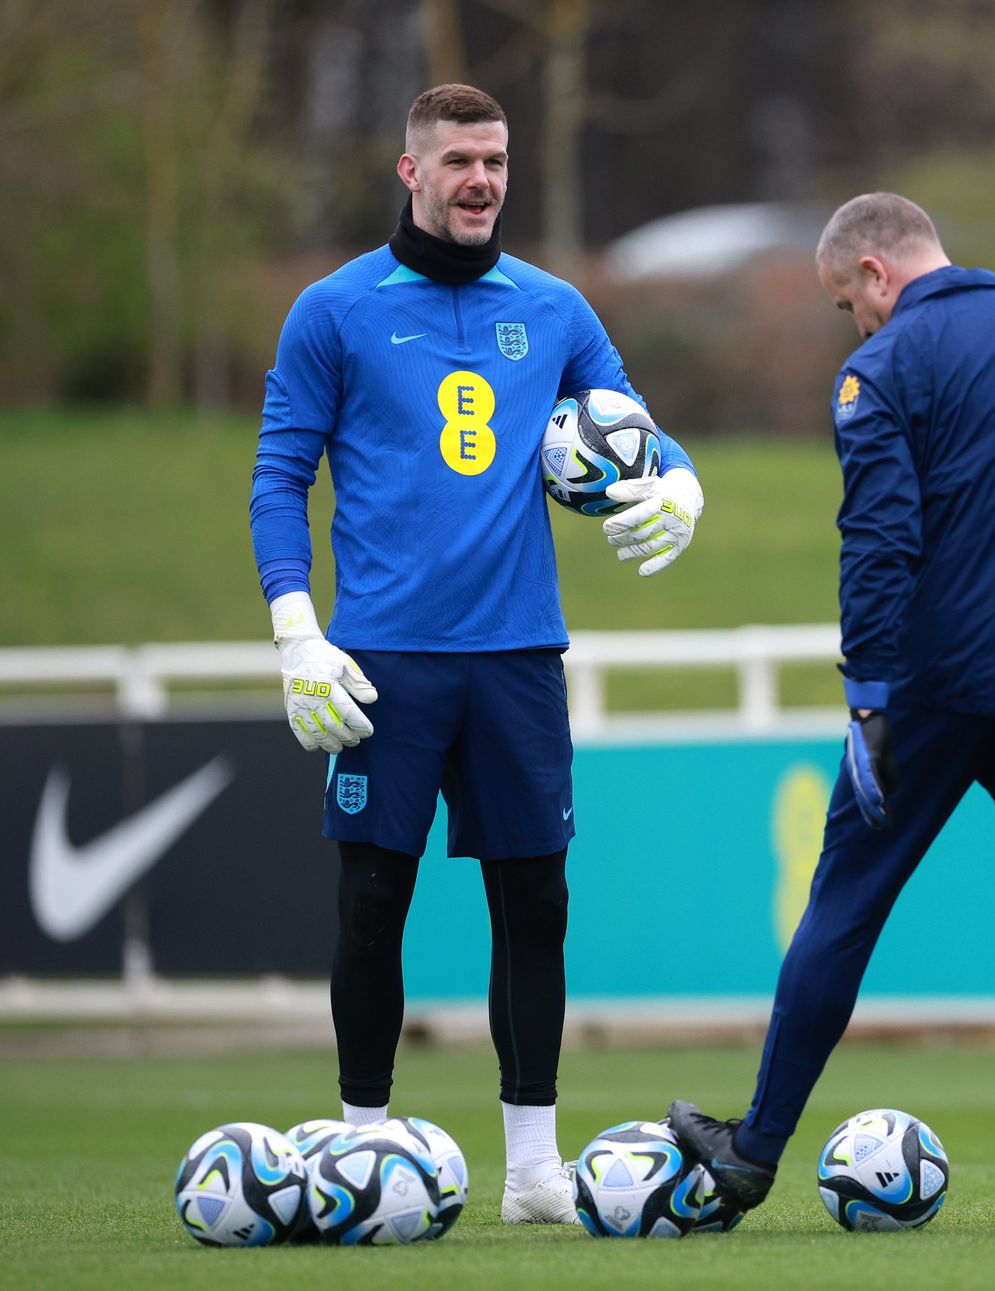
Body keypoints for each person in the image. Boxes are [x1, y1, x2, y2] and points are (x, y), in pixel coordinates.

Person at [668, 193, 995, 1237]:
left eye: (841, 303)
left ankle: (754, 1151)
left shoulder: (884, 367)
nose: (851, 324)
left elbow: (879, 537)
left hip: (930, 691)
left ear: (873, 272)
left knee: (844, 907)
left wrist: (866, 690)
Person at [247, 83, 704, 1225]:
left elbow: (632, 418)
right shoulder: (333, 310)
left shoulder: (551, 309)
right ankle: (361, 1150)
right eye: (458, 160)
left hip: (515, 659)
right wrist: (295, 627)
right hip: (384, 661)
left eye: (495, 160)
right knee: (370, 900)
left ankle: (536, 1170)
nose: (481, 180)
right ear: (411, 172)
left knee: (534, 904)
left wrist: (684, 481)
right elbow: (278, 477)